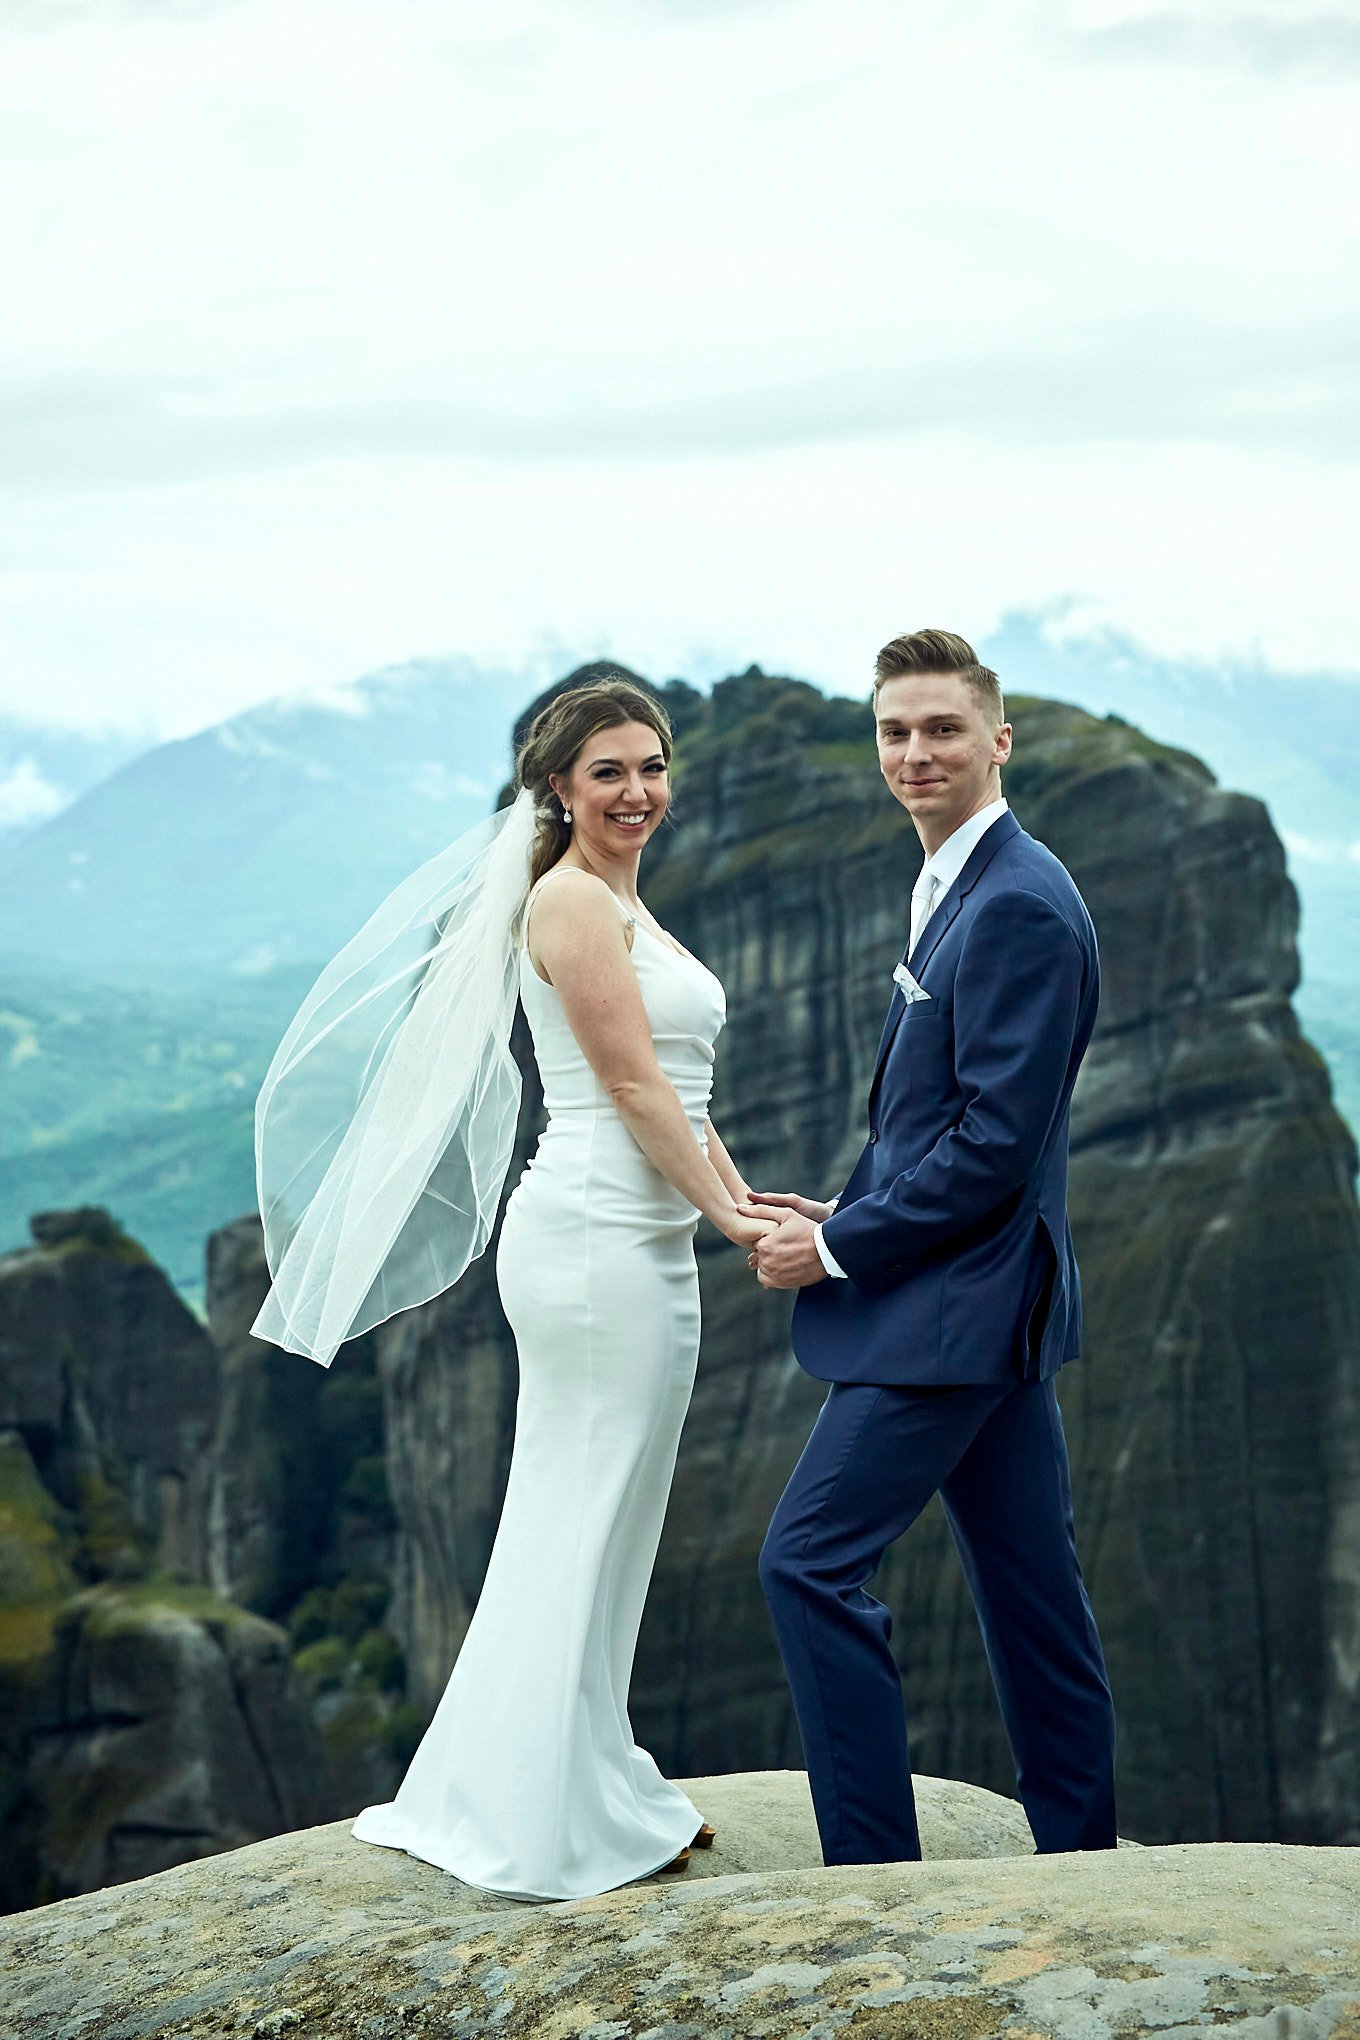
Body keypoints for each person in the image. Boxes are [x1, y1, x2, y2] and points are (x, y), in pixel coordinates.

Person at [252, 675, 774, 1902]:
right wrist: (730, 1220)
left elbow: (683, 1097)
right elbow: (634, 1093)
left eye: (650, 766)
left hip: (640, 1238)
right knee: (576, 1511)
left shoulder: (621, 904)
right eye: (608, 772)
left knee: (613, 1513)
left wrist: (747, 1203)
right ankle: (530, 1810)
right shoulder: (570, 905)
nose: (637, 791)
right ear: (557, 788)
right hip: (594, 1242)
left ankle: (585, 1772)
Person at [746, 628, 1118, 1867]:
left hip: (954, 1315)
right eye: (895, 731)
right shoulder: (966, 878)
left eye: (942, 729)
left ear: (997, 740)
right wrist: (835, 1210)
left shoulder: (1015, 901)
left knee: (806, 1564)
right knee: (1031, 1597)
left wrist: (840, 1248)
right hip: (988, 1302)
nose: (915, 752)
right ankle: (1078, 1852)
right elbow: (935, 1120)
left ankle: (870, 1870)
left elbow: (992, 1146)